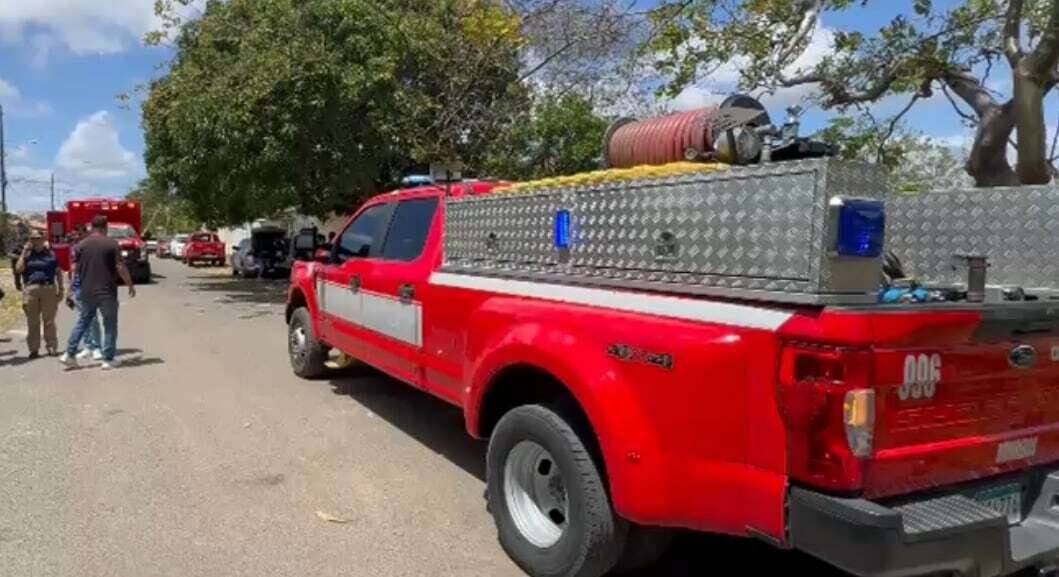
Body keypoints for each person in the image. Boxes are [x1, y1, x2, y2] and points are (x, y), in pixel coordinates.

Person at [60, 215, 135, 370]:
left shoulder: (80, 245)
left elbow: (74, 270)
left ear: (92, 227)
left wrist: (71, 289)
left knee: (83, 322)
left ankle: (69, 354)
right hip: (107, 291)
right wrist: (130, 284)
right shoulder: (111, 243)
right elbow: (120, 267)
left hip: (86, 292)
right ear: (105, 227)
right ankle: (107, 359)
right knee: (110, 324)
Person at [15, 230, 63, 358]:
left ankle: (52, 346)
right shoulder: (27, 255)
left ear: (43, 240)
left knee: (49, 321)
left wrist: (61, 289)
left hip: (48, 288)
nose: (36, 241)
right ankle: (34, 349)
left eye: (38, 238)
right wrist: (23, 252)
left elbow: (58, 272)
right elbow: (18, 269)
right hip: (31, 289)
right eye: (33, 238)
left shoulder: (50, 254)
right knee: (32, 321)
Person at [67, 228, 104, 361]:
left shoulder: (92, 249)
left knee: (92, 318)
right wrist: (69, 290)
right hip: (78, 287)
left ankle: (97, 347)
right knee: (84, 318)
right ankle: (88, 346)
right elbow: (72, 270)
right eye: (75, 234)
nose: (76, 236)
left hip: (90, 287)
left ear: (85, 234)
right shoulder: (74, 249)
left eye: (79, 234)